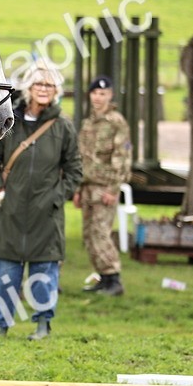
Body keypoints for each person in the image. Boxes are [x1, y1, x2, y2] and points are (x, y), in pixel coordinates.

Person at [0, 61, 82, 340]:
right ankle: (1, 325)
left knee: (44, 274)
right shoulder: (8, 121)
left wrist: (56, 197)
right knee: (6, 274)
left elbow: (75, 169)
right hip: (11, 211)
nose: (43, 90)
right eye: (39, 84)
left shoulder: (63, 126)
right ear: (29, 87)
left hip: (46, 214)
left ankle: (42, 325)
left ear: (56, 91)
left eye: (49, 85)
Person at [74, 75, 132, 295]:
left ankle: (114, 279)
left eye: (103, 94)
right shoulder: (87, 123)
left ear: (111, 96)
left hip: (104, 188)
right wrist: (78, 189)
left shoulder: (116, 122)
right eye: (95, 93)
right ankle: (103, 278)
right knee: (89, 235)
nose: (98, 98)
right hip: (88, 187)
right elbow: (81, 157)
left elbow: (122, 157)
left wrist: (113, 189)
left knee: (101, 233)